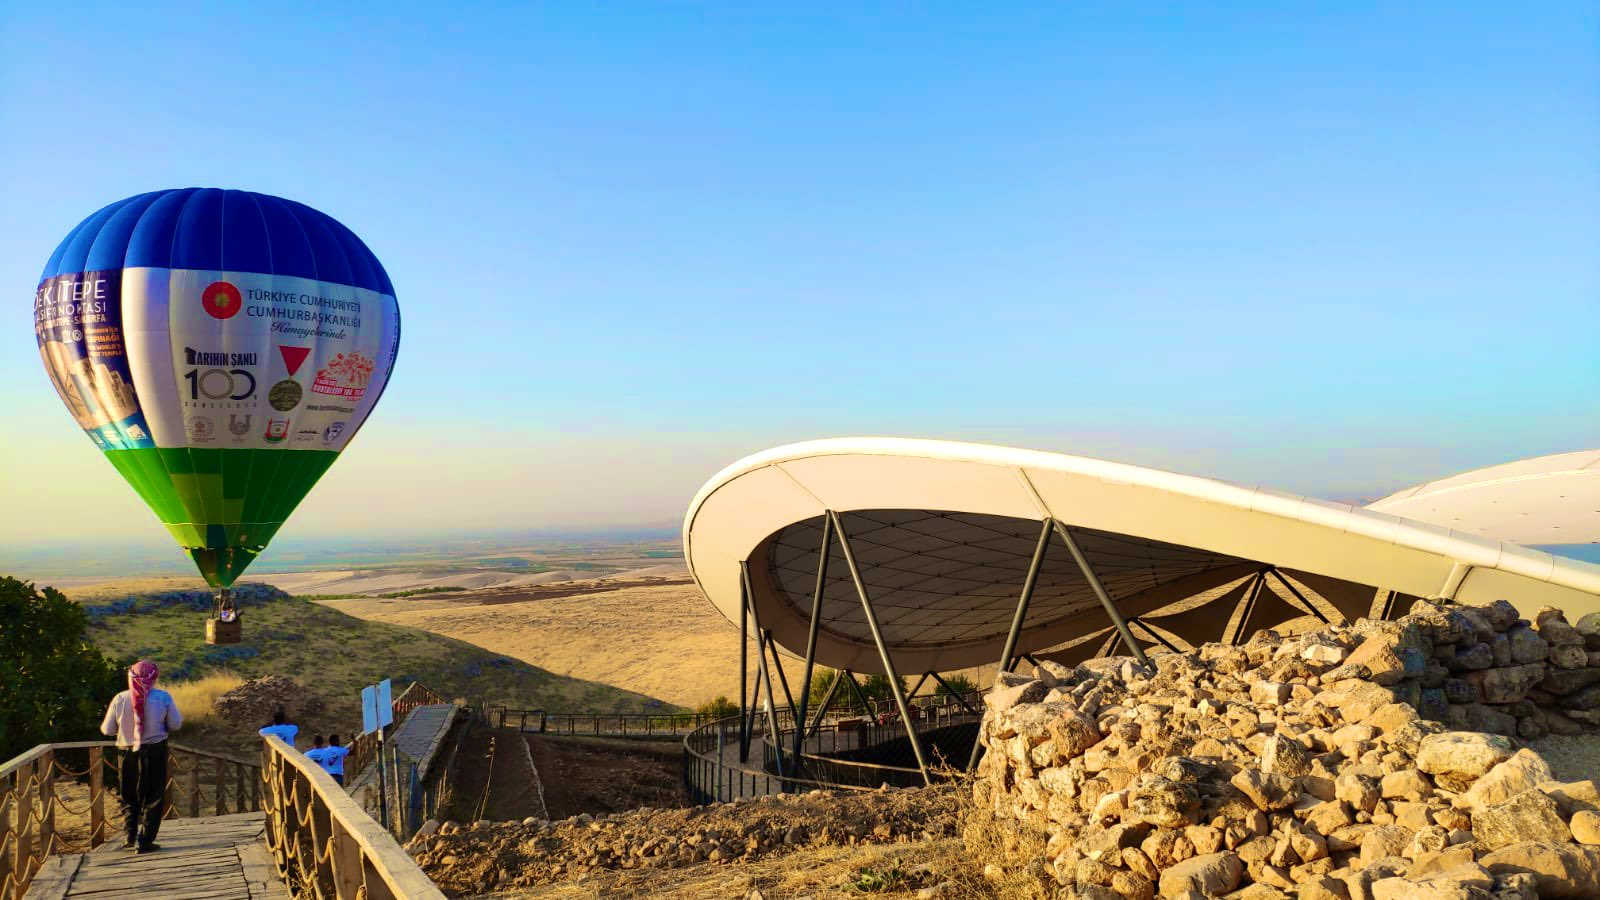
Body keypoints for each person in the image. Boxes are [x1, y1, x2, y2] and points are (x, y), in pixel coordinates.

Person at [99, 660, 181, 853]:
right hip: (155, 751)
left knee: (128, 795)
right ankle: (145, 841)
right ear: (155, 678)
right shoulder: (163, 698)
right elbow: (176, 724)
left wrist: (126, 729)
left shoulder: (120, 698)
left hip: (127, 752)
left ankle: (130, 837)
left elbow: (107, 729)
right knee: (154, 796)